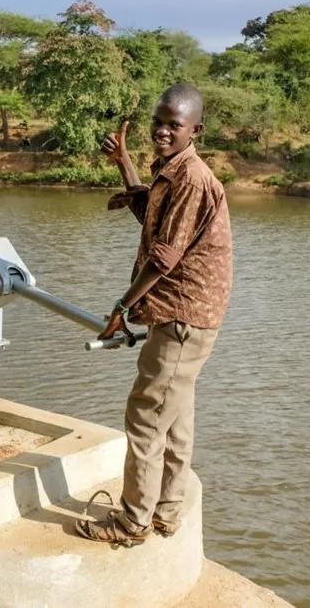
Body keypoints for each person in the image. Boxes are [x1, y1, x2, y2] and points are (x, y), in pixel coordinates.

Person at [75, 83, 233, 546]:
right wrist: (123, 161)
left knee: (146, 414)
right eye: (158, 122)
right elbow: (151, 218)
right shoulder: (173, 169)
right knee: (175, 416)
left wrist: (122, 307)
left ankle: (132, 522)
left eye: (173, 125)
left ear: (195, 130)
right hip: (187, 314)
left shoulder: (192, 178)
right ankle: (166, 510)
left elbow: (164, 256)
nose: (162, 131)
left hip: (183, 315)